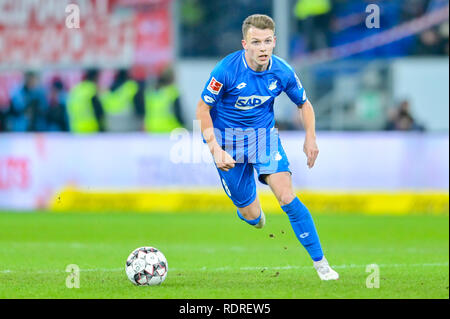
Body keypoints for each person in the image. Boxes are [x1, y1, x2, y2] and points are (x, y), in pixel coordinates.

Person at [196, 14, 339, 280]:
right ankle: (254, 214)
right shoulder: (226, 70)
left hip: (263, 139)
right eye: (256, 42)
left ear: (274, 42)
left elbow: (304, 104)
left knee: (286, 197)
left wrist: (311, 137)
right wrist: (215, 148)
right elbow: (203, 107)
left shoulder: (282, 71)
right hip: (228, 144)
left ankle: (322, 265)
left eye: (267, 41)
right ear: (244, 44)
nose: (262, 48)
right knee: (251, 214)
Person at [144, 67, 185, 133]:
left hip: (152, 130)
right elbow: (178, 115)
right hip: (170, 130)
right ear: (173, 78)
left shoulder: (151, 92)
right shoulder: (173, 92)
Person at [66, 68, 105, 133]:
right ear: (96, 77)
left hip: (76, 129)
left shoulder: (76, 89)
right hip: (91, 129)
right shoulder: (92, 89)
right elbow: (99, 111)